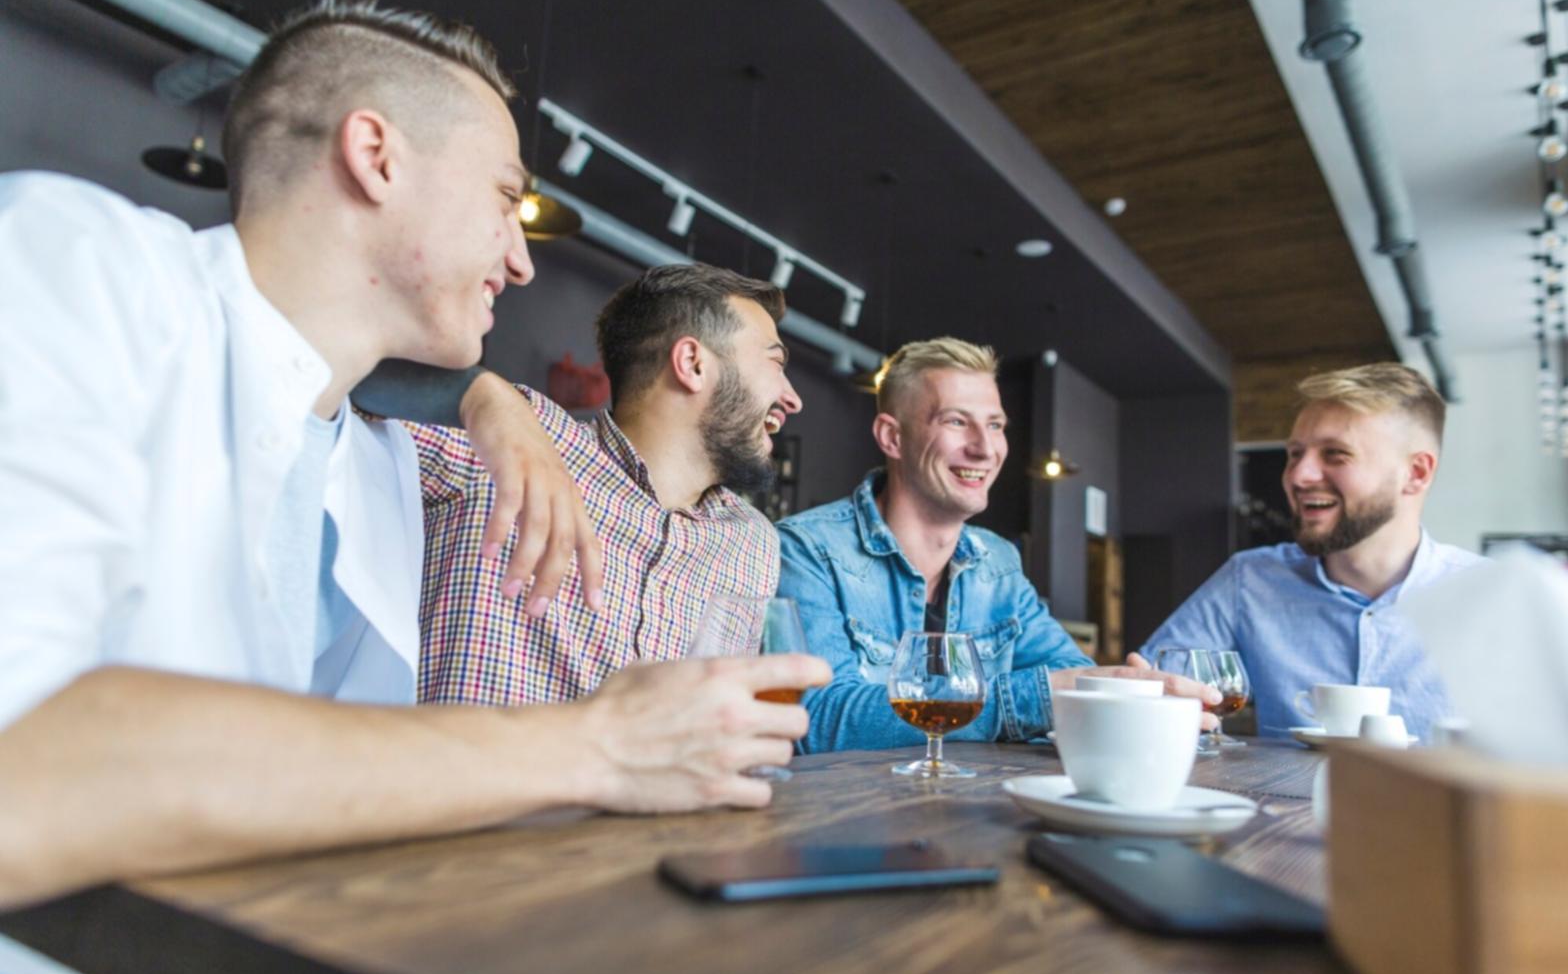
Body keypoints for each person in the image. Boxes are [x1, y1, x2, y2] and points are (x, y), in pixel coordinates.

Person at [0, 0, 827, 911]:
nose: (520, 259)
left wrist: (482, 396)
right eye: (506, 198)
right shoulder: (71, 262)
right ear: (375, 156)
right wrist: (599, 744)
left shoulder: (379, 465)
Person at [776, 337, 1214, 753]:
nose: (985, 449)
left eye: (995, 425)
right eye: (955, 421)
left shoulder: (998, 561)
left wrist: (1122, 692)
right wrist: (1041, 698)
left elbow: (1068, 671)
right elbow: (817, 720)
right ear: (892, 437)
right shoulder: (807, 548)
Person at [411, 263, 802, 704]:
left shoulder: (753, 544)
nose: (793, 397)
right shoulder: (514, 433)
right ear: (692, 364)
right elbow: (331, 388)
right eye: (775, 363)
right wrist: (480, 393)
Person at [1140, 363, 1484, 742]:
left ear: (1416, 473)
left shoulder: (1494, 598)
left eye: (1336, 454)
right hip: (1278, 802)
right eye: (1294, 454)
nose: (1299, 476)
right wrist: (1163, 705)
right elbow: (1151, 686)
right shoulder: (1249, 580)